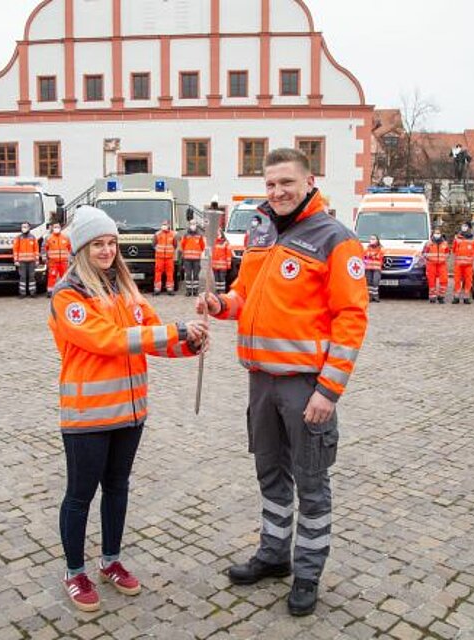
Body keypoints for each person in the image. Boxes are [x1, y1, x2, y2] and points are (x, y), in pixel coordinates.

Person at [197, 148, 368, 616]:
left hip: (305, 386)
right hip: (261, 382)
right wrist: (221, 306)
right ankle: (274, 556)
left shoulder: (336, 238)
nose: (277, 192)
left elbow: (350, 319)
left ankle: (308, 572)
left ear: (309, 180)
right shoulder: (260, 229)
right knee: (270, 475)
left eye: (286, 183)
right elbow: (245, 295)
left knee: (311, 484)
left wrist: (329, 390)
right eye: (270, 185)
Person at [48, 205, 207, 613]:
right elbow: (109, 340)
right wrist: (176, 331)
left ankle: (111, 561)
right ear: (82, 248)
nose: (106, 250)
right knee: (80, 495)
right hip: (89, 414)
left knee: (118, 489)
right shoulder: (69, 295)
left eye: (111, 243)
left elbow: (151, 336)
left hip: (130, 412)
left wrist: (189, 344)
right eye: (98, 244)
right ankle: (74, 571)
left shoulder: (125, 289)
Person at [451, 223, 474, 304]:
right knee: (457, 280)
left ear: (469, 228)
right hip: (458, 264)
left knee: (468, 280)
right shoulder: (457, 237)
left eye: (465, 226)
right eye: (463, 226)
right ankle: (456, 297)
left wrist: (472, 258)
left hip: (468, 264)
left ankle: (466, 297)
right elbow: (454, 249)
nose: (463, 227)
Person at [423, 224, 450, 304]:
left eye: (438, 233)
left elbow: (448, 252)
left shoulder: (445, 243)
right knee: (431, 281)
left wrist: (444, 259)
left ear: (441, 234)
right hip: (431, 264)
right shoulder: (428, 243)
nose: (437, 234)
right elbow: (424, 253)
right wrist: (429, 259)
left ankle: (441, 296)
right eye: (436, 233)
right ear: (433, 233)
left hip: (442, 264)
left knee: (444, 280)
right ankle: (432, 297)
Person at [13, 222, 41, 298]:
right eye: (23, 227)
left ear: (29, 228)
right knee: (22, 277)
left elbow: (36, 249)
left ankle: (33, 293)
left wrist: (37, 260)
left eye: (25, 227)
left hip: (31, 261)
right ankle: (22, 293)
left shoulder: (32, 237)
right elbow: (15, 250)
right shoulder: (18, 238)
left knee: (32, 277)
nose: (24, 228)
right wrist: (16, 260)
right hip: (21, 261)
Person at [44, 222, 71, 297]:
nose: (56, 228)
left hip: (64, 262)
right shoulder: (48, 238)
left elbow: (70, 248)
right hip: (53, 262)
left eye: (58, 227)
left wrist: (70, 259)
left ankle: (66, 291)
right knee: (52, 276)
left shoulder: (66, 237)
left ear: (60, 228)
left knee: (65, 277)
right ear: (52, 228)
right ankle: (50, 291)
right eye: (55, 227)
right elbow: (44, 249)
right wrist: (44, 258)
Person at [180, 221, 206, 297]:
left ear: (196, 225)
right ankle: (188, 291)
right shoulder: (186, 235)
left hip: (196, 259)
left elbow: (202, 246)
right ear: (189, 225)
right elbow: (182, 245)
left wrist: (197, 253)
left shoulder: (199, 235)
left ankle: (195, 291)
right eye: (191, 224)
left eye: (194, 224)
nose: (192, 226)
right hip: (187, 259)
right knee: (188, 275)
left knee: (195, 275)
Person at [152, 220, 177, 296]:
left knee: (170, 273)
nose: (164, 226)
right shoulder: (157, 234)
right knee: (158, 273)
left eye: (165, 224)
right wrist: (159, 250)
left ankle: (170, 289)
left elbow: (175, 245)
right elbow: (153, 244)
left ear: (169, 225)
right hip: (159, 257)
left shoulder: (173, 234)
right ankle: (157, 289)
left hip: (169, 258)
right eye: (163, 224)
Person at [363, 234, 384, 302]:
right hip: (368, 268)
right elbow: (365, 256)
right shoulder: (367, 249)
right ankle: (370, 296)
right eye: (371, 239)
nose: (372, 240)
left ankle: (375, 296)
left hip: (377, 268)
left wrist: (371, 255)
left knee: (375, 282)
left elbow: (378, 256)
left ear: (377, 240)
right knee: (369, 282)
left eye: (373, 239)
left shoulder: (380, 249)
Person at [211, 227, 231, 294]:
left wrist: (228, 264)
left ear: (221, 233)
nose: (217, 233)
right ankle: (218, 291)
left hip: (222, 266)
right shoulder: (214, 242)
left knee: (222, 280)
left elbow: (228, 254)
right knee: (217, 280)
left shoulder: (225, 242)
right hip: (215, 266)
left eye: (218, 232)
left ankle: (222, 292)